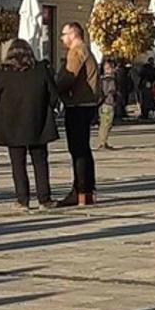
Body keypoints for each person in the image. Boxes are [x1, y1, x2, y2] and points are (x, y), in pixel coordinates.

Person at [0, 38, 58, 210]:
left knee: (17, 163)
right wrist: (47, 108)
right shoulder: (40, 70)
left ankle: (22, 200)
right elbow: (53, 95)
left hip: (12, 123)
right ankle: (44, 199)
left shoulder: (3, 73)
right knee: (40, 161)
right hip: (38, 121)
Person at [55, 24, 101, 207]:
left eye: (64, 34)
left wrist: (55, 88)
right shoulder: (86, 50)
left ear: (73, 35)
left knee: (78, 150)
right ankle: (87, 190)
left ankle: (80, 190)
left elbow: (69, 76)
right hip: (87, 103)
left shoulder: (76, 52)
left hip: (78, 104)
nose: (61, 38)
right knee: (84, 149)